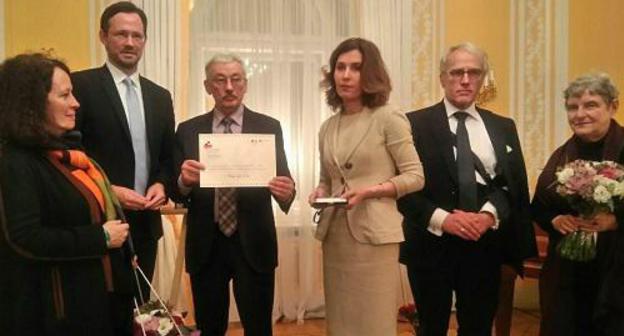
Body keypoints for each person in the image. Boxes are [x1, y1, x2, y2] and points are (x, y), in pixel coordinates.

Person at [398, 42, 537, 336]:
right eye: (456, 72)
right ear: (442, 77)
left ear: (482, 77)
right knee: (430, 328)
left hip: (483, 246)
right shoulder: (412, 124)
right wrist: (445, 220)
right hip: (429, 245)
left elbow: (512, 185)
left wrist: (487, 216)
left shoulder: (503, 126)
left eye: (473, 72)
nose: (465, 80)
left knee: (478, 327)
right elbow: (403, 190)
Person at [0, 53, 132, 335]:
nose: (76, 103)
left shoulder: (64, 153)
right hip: (52, 312)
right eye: (65, 95)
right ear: (33, 103)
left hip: (90, 300)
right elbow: (25, 238)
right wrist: (101, 237)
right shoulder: (14, 161)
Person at [172, 53, 296, 336]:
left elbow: (284, 183)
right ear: (207, 86)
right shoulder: (189, 130)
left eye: (236, 79)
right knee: (209, 328)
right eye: (220, 80)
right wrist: (183, 181)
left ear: (245, 84)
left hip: (254, 244)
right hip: (207, 245)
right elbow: (176, 191)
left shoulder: (268, 127)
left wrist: (287, 192)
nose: (229, 87)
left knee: (258, 327)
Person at [308, 37, 425, 335]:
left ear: (371, 73)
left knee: (373, 323)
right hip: (335, 237)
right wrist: (320, 193)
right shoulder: (327, 127)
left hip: (375, 238)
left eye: (356, 68)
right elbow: (327, 179)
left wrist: (371, 191)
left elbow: (415, 176)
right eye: (340, 67)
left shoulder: (389, 117)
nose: (346, 75)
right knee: (341, 322)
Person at [71, 1, 175, 301]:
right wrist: (108, 190)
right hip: (97, 223)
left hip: (145, 227)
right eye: (121, 34)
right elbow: (70, 156)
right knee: (102, 316)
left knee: (141, 315)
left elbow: (168, 157)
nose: (130, 43)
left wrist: (161, 184)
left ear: (145, 40)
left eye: (137, 35)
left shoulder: (160, 96)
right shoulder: (81, 86)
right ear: (103, 37)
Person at [531, 73, 624, 336]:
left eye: (591, 105)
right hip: (568, 270)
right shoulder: (561, 155)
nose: (579, 114)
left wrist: (616, 221)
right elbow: (538, 205)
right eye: (573, 107)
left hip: (615, 266)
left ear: (612, 106)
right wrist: (555, 220)